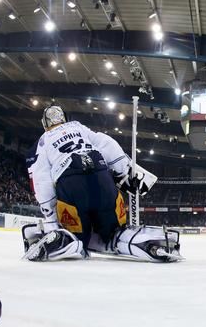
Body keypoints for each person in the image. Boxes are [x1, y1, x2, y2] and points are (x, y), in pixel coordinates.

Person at [22, 106, 182, 262]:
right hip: (102, 177)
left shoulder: (42, 142)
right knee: (114, 232)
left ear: (44, 124)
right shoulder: (79, 127)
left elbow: (41, 180)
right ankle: (151, 243)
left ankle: (68, 241)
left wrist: (50, 216)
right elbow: (108, 144)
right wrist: (124, 170)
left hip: (71, 184)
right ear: (64, 117)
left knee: (76, 235)